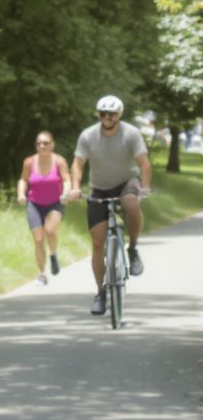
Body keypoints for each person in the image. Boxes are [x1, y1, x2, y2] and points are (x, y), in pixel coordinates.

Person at [65, 95, 152, 314]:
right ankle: (101, 292)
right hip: (99, 188)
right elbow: (77, 164)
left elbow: (143, 163)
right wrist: (75, 187)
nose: (106, 117)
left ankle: (132, 248)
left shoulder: (131, 133)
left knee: (131, 203)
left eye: (111, 113)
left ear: (119, 115)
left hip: (126, 183)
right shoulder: (88, 135)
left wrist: (145, 186)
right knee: (97, 244)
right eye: (102, 113)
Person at [15, 131, 70, 285]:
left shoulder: (59, 161)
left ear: (52, 145)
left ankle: (53, 255)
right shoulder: (29, 162)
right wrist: (21, 193)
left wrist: (66, 193)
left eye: (45, 143)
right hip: (34, 204)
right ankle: (42, 273)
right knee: (38, 240)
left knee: (50, 231)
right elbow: (23, 180)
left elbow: (66, 180)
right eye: (39, 143)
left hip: (55, 203)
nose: (42, 146)